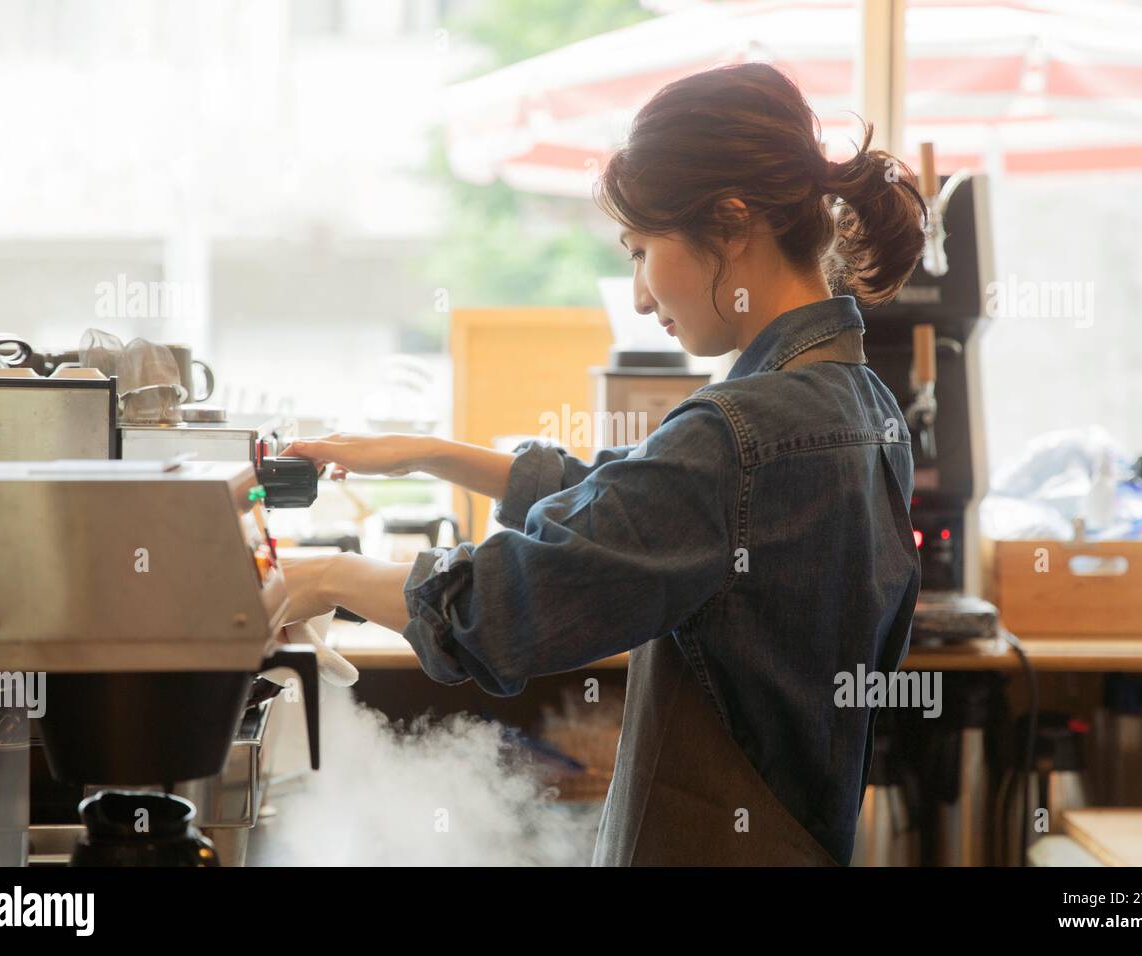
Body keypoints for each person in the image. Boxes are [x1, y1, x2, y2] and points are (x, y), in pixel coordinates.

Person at [279, 62, 925, 866]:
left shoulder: (741, 431)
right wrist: (430, 452)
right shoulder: (860, 406)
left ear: (729, 224)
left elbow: (504, 606)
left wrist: (322, 577)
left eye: (640, 249)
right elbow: (638, 499)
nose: (644, 296)